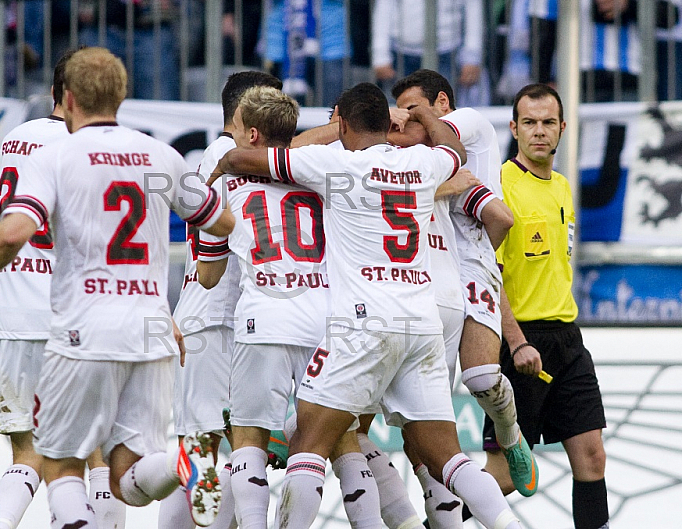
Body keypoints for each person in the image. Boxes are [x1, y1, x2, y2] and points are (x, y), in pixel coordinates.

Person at [210, 82, 523, 529]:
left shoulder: (336, 162)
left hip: (362, 326)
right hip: (421, 326)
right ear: (386, 122)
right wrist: (426, 118)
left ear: (344, 124)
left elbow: (249, 158)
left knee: (310, 445)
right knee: (448, 458)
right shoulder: (422, 162)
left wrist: (221, 164)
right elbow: (453, 149)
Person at [0, 47, 234, 528]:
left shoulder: (52, 151)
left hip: (80, 325)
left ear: (63, 95)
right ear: (122, 97)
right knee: (124, 473)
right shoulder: (158, 154)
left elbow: (15, 230)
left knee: (57, 459)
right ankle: (183, 463)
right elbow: (222, 221)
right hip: (148, 327)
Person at [0, 49, 125, 529]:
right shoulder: (89, 152)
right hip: (74, 317)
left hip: (14, 315)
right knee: (96, 452)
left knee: (27, 451)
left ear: (54, 93)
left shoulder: (14, 140)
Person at [391, 70, 536, 510]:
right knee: (427, 413)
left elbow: (500, 217)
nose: (407, 123)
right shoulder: (424, 167)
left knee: (480, 377)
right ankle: (436, 507)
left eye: (413, 110)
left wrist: (478, 257)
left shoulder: (469, 123)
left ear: (441, 103)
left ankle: (510, 435)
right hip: (430, 272)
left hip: (469, 263)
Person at [483, 83, 610, 529]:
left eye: (548, 123)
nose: (540, 132)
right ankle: (433, 522)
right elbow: (488, 274)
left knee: (592, 458)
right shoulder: (500, 186)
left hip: (568, 341)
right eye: (530, 123)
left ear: (562, 128)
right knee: (504, 477)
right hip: (521, 343)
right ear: (514, 129)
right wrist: (515, 343)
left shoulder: (562, 187)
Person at [161, 70, 284, 529]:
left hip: (233, 319)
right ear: (243, 113)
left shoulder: (238, 158)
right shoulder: (225, 153)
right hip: (209, 317)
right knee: (200, 451)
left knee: (233, 452)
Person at [372, 0, 489, 106]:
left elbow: (473, 7)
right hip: (401, 55)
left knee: (444, 115)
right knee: (400, 116)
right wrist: (380, 56)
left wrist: (472, 57)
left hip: (446, 53)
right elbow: (384, 7)